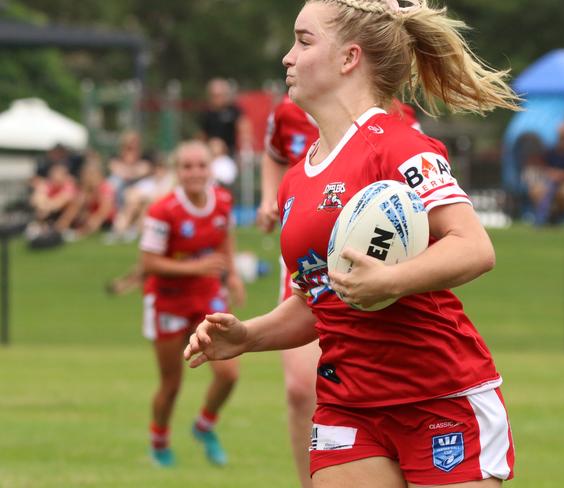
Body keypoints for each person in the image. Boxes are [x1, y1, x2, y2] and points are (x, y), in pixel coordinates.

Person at [186, 1, 519, 486]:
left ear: (349, 58)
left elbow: (473, 246)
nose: (287, 57)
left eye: (303, 41)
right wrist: (249, 336)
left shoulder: (399, 146)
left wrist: (391, 280)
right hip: (348, 404)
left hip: (438, 393)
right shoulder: (297, 180)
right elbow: (320, 299)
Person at [257, 93, 420, 488]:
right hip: (307, 256)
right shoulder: (287, 112)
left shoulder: (395, 121)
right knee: (300, 386)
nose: (290, 58)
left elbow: (414, 202)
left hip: (367, 257)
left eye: (305, 41)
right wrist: (268, 198)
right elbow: (275, 155)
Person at [140, 140, 245, 467]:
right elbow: (148, 263)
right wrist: (195, 267)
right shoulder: (162, 210)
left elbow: (225, 237)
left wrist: (233, 275)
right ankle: (159, 441)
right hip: (168, 302)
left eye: (201, 165)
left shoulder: (223, 201)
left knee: (228, 374)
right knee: (171, 384)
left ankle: (204, 426)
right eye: (187, 166)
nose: (195, 172)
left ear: (210, 169)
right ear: (178, 171)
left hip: (207, 297)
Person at [54, 153, 115, 240]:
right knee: (74, 206)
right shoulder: (86, 189)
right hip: (91, 217)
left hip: (106, 221)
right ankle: (58, 229)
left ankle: (77, 233)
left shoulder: (105, 187)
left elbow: (104, 211)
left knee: (92, 220)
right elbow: (78, 206)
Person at [197, 78, 254, 158]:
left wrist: (245, 144)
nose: (217, 99)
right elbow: (202, 135)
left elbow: (244, 126)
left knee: (217, 145)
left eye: (219, 95)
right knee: (215, 144)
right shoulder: (206, 113)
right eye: (214, 95)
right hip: (211, 150)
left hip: (230, 150)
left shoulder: (233, 110)